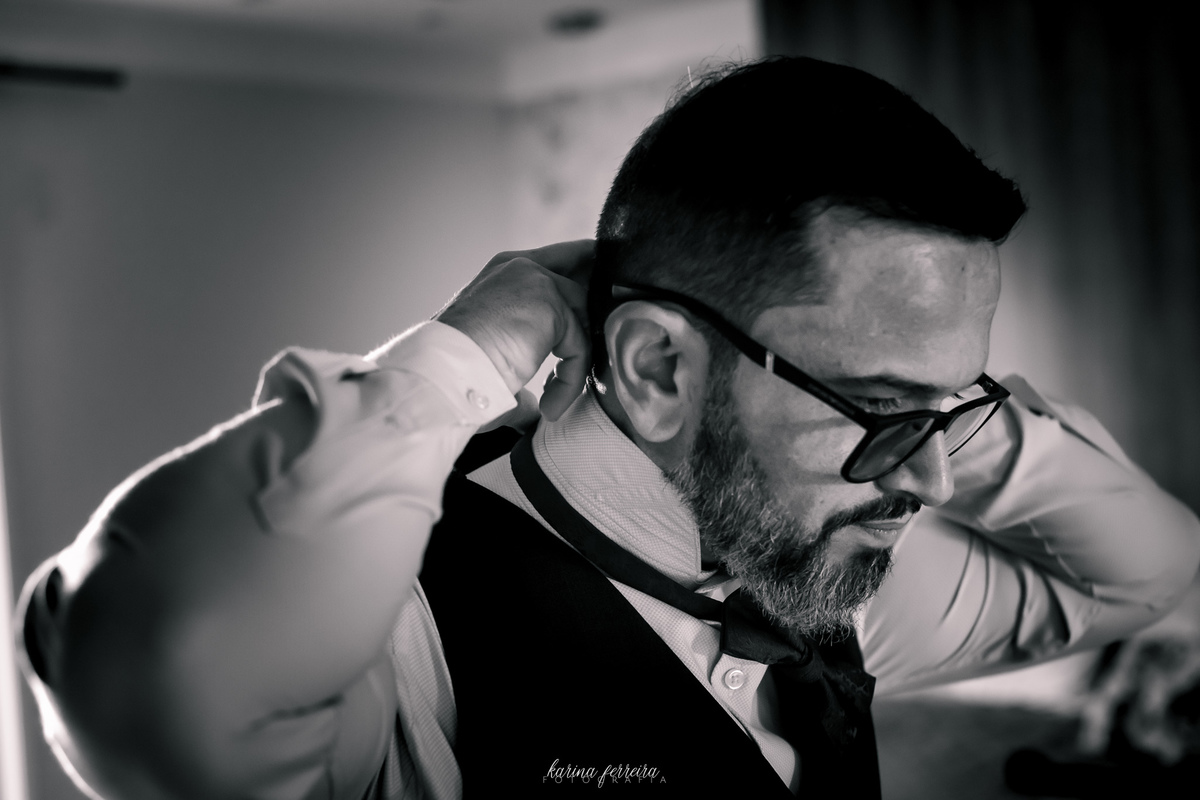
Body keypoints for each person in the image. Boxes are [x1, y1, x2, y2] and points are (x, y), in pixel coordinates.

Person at [15, 57, 1200, 800]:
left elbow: (1149, 571)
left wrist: (937, 413)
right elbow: (153, 677)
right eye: (879, 405)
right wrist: (463, 357)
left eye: (952, 410)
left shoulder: (828, 568)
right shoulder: (404, 639)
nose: (935, 479)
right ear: (655, 367)